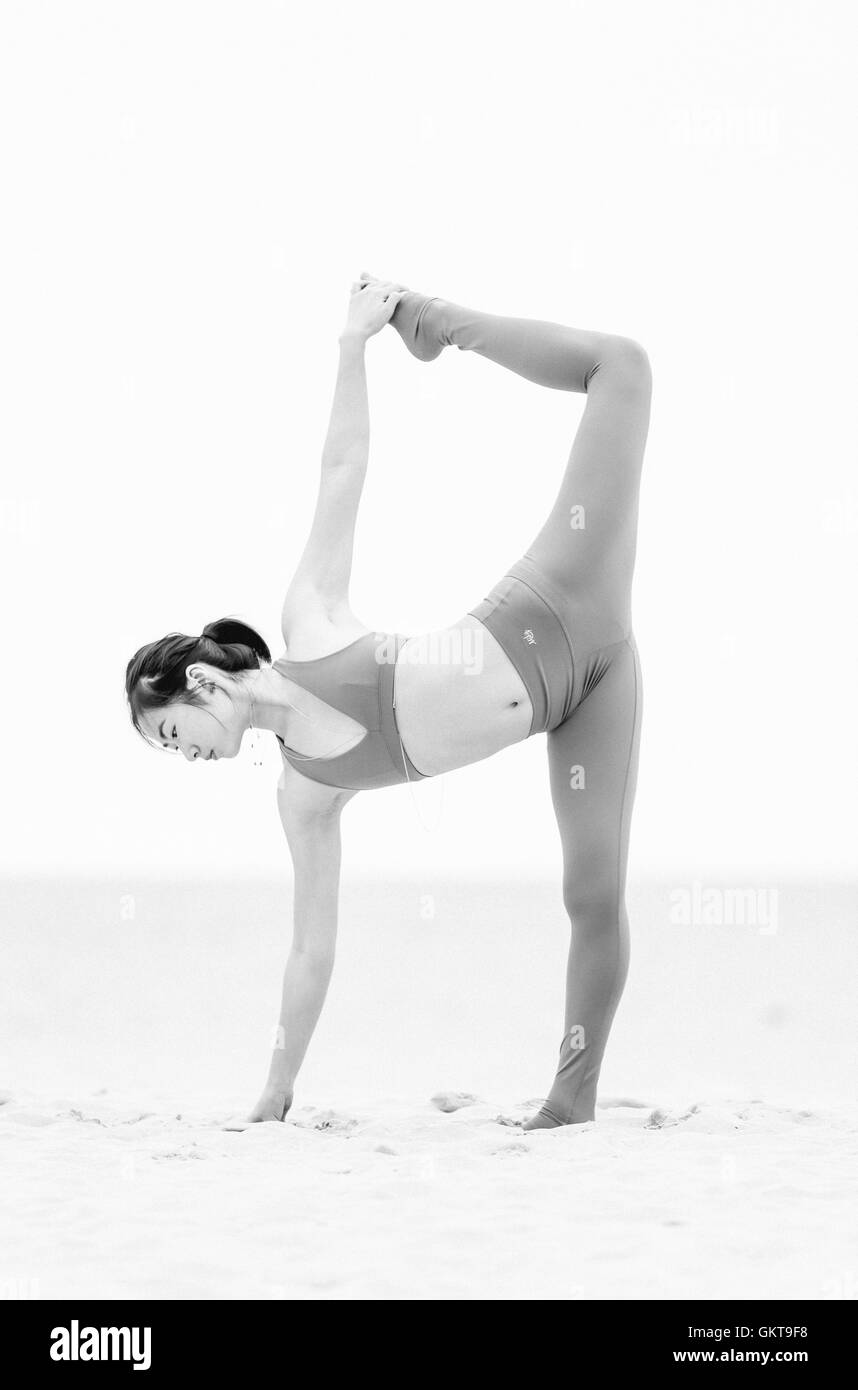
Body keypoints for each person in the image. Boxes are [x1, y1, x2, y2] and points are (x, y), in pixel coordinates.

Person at [125, 272, 652, 1130]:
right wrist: (273, 1093)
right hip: (592, 690)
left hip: (558, 602)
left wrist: (351, 347)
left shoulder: (312, 621)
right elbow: (309, 951)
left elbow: (342, 470)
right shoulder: (305, 796)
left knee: (622, 367)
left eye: (170, 734)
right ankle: (571, 1104)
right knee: (593, 896)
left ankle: (437, 323)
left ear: (199, 681)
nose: (180, 753)